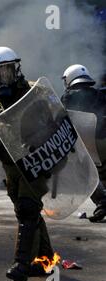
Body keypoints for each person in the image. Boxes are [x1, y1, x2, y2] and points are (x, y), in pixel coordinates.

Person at [0, 47, 55, 281]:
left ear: (15, 69)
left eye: (3, 72)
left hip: (36, 161)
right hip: (10, 166)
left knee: (27, 208)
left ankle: (21, 266)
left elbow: (54, 123)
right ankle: (46, 259)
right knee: (28, 210)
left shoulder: (34, 92)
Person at [61, 64, 106, 222]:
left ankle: (102, 202)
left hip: (87, 146)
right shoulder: (101, 93)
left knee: (85, 173)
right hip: (104, 142)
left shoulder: (67, 97)